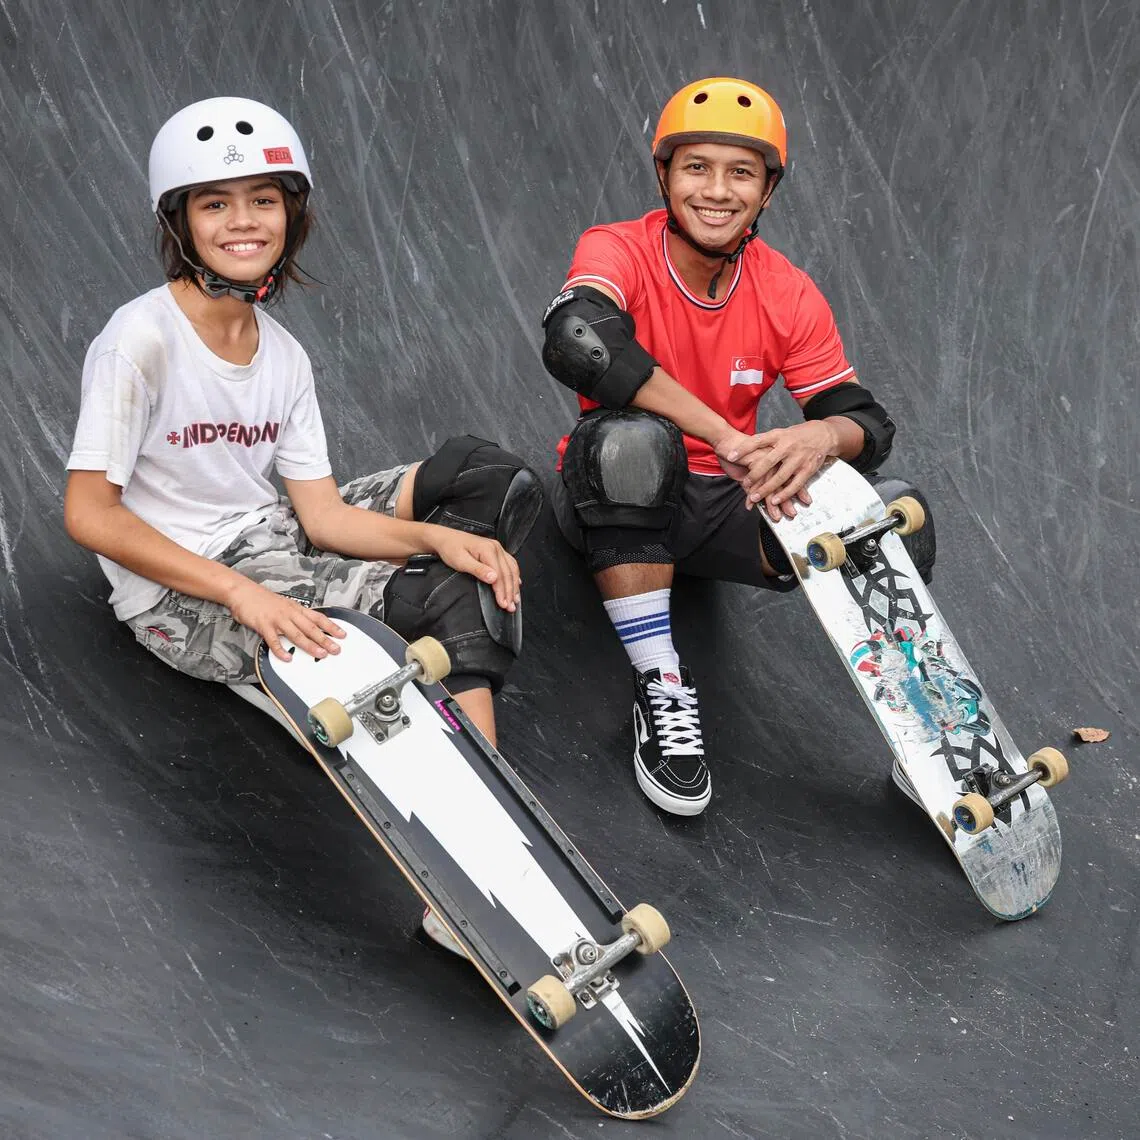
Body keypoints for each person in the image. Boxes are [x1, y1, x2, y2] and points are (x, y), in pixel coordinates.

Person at [63, 97, 542, 952]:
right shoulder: (140, 341)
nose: (243, 222)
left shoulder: (282, 354)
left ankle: (476, 789)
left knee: (490, 490)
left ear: (292, 211)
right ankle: (474, 874)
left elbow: (320, 515)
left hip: (277, 535)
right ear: (180, 221)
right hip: (184, 591)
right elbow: (88, 513)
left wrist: (435, 536)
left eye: (262, 200)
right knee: (457, 609)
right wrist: (242, 594)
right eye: (216, 204)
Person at [541, 77, 935, 817]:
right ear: (664, 175)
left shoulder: (785, 291)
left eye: (741, 173)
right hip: (608, 494)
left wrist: (823, 435)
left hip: (723, 507)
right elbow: (578, 341)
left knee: (890, 513)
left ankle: (923, 736)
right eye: (697, 168)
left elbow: (866, 421)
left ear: (767, 191)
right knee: (633, 441)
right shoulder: (617, 247)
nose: (716, 191)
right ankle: (660, 686)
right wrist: (723, 433)